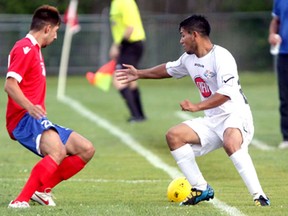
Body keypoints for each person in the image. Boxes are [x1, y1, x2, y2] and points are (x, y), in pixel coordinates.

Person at [116, 15, 270, 206]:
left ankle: (259, 196)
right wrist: (139, 73)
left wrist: (197, 106)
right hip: (213, 120)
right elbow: (168, 69)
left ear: (195, 35)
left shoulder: (221, 57)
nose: (181, 41)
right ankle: (200, 187)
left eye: (183, 35)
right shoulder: (189, 59)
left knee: (231, 142)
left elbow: (227, 93)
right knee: (174, 136)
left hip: (236, 116)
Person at [5, 5, 95, 208]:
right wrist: (29, 107)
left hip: (34, 117)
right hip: (23, 119)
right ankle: (20, 200)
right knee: (57, 151)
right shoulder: (24, 48)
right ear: (47, 29)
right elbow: (9, 84)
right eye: (55, 32)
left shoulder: (34, 50)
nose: (55, 37)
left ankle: (41, 190)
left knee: (86, 149)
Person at [109, 0, 146, 122]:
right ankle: (140, 115)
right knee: (131, 81)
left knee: (119, 80)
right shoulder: (116, 3)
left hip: (131, 45)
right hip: (129, 45)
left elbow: (130, 28)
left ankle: (136, 116)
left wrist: (117, 46)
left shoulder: (125, 2)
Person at [268, 0, 288, 149]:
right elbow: (276, 21)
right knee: (285, 97)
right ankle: (287, 137)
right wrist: (272, 34)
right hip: (284, 54)